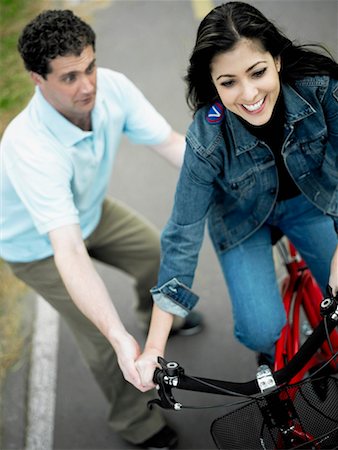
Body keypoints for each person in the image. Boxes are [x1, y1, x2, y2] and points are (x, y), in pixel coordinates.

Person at [0, 9, 203, 449]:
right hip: (35, 245)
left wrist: (228, 181)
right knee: (101, 338)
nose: (88, 84)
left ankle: (157, 319)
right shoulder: (28, 146)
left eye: (89, 66)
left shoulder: (112, 88)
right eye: (69, 77)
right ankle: (135, 421)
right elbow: (68, 249)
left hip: (89, 210)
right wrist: (117, 334)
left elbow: (169, 143)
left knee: (153, 253)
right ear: (38, 78)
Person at [135, 1, 338, 391]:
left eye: (257, 72)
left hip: (312, 203)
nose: (248, 94)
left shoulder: (322, 89)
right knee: (262, 332)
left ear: (277, 59)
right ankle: (266, 351)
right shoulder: (206, 139)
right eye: (228, 82)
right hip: (242, 221)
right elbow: (182, 235)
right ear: (213, 84)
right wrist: (153, 348)